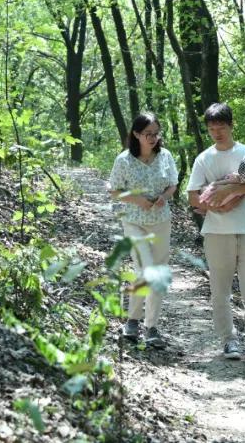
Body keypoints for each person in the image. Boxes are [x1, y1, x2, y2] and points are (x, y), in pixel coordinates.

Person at [186, 102, 245, 361]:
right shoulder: (204, 158)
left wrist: (230, 189)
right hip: (216, 232)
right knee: (220, 290)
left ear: (232, 125)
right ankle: (229, 341)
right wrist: (217, 205)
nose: (216, 133)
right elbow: (192, 196)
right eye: (211, 129)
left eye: (221, 127)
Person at [108, 111, 178, 349]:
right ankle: (132, 321)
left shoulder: (165, 156)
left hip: (161, 221)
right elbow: (115, 190)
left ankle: (151, 327)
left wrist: (163, 197)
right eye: (148, 134)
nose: (153, 138)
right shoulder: (124, 160)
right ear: (136, 134)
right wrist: (138, 199)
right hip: (134, 221)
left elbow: (173, 184)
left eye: (156, 133)